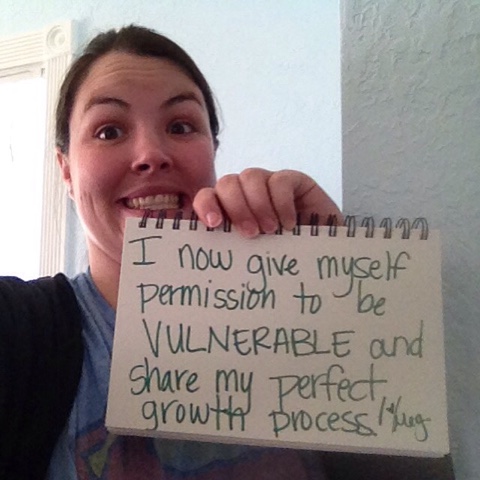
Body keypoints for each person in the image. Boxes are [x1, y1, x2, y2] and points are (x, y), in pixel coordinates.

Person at [0, 24, 455, 480]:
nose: (151, 154)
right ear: (65, 170)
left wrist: (340, 295)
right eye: (109, 131)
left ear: (213, 151)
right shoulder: (20, 329)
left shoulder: (297, 314)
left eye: (180, 126)